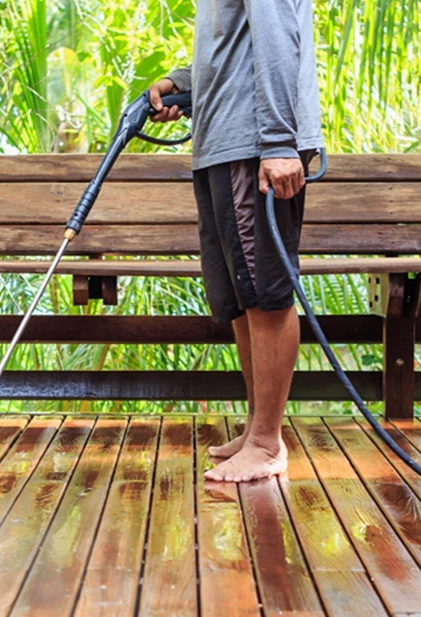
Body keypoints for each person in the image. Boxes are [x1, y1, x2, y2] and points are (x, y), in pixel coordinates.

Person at [149, 0, 324, 483]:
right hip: (222, 145)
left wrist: (278, 143)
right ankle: (255, 432)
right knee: (243, 297)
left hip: (254, 144)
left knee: (266, 294)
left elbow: (277, 40)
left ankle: (268, 443)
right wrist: (181, 85)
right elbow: (233, 48)